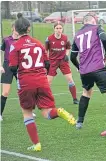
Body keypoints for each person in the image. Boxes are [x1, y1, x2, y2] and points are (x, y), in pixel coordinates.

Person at [9, 13, 76, 152]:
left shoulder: (15, 46)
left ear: (16, 29)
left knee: (27, 113)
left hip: (26, 82)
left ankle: (37, 144)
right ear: (28, 29)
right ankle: (59, 112)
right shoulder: (38, 43)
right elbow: (47, 63)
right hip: (42, 80)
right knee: (47, 112)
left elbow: (12, 67)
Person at [70, 13, 106, 136]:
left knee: (86, 92)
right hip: (98, 68)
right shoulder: (97, 28)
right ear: (93, 21)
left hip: (85, 71)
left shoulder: (77, 34)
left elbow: (72, 57)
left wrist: (80, 67)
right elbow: (105, 38)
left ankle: (79, 121)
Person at [1, 21, 36, 121]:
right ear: (12, 28)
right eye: (15, 28)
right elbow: (1, 53)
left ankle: (29, 111)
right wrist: (0, 65)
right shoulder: (6, 40)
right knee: (6, 92)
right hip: (7, 67)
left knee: (24, 90)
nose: (17, 30)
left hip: (20, 67)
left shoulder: (23, 40)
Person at [45, 21, 79, 104]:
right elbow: (46, 50)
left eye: (60, 28)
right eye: (57, 28)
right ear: (54, 29)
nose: (58, 30)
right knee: (48, 82)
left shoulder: (65, 38)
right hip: (52, 62)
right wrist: (46, 60)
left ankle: (75, 99)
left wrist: (66, 55)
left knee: (70, 80)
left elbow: (68, 48)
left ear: (62, 29)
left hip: (63, 61)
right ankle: (46, 100)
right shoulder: (49, 39)